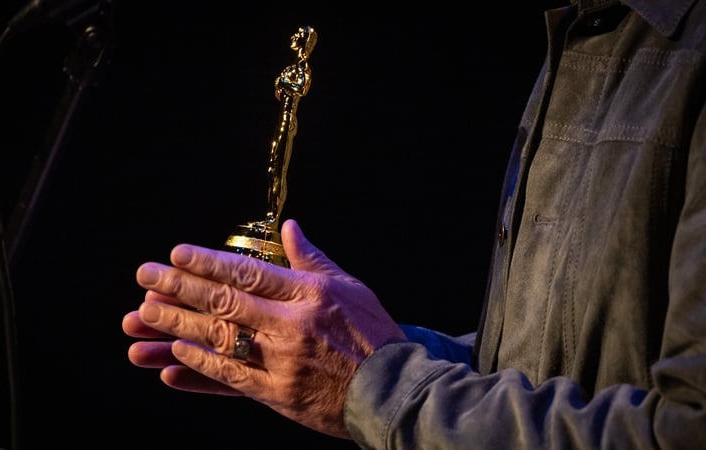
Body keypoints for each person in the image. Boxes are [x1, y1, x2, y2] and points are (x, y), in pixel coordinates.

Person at [121, 0, 706, 448]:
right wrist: (337, 353)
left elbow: (684, 429)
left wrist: (378, 385)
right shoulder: (595, 31)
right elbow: (551, 372)